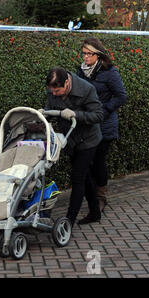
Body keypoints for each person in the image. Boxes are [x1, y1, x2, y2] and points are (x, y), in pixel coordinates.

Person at [40, 67, 104, 226]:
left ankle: (69, 220)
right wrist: (44, 114)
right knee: (85, 176)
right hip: (69, 140)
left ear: (67, 83)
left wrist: (76, 114)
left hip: (88, 140)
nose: (54, 94)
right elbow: (51, 108)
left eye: (57, 91)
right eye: (52, 91)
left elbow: (98, 115)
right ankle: (95, 212)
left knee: (77, 178)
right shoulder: (53, 90)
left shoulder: (86, 89)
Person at [76, 38, 127, 213]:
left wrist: (103, 111)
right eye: (84, 53)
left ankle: (100, 197)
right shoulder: (80, 72)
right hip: (86, 124)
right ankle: (90, 194)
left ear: (98, 55)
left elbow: (121, 96)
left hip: (104, 125)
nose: (86, 57)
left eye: (90, 53)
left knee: (98, 161)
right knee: (85, 161)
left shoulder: (109, 72)